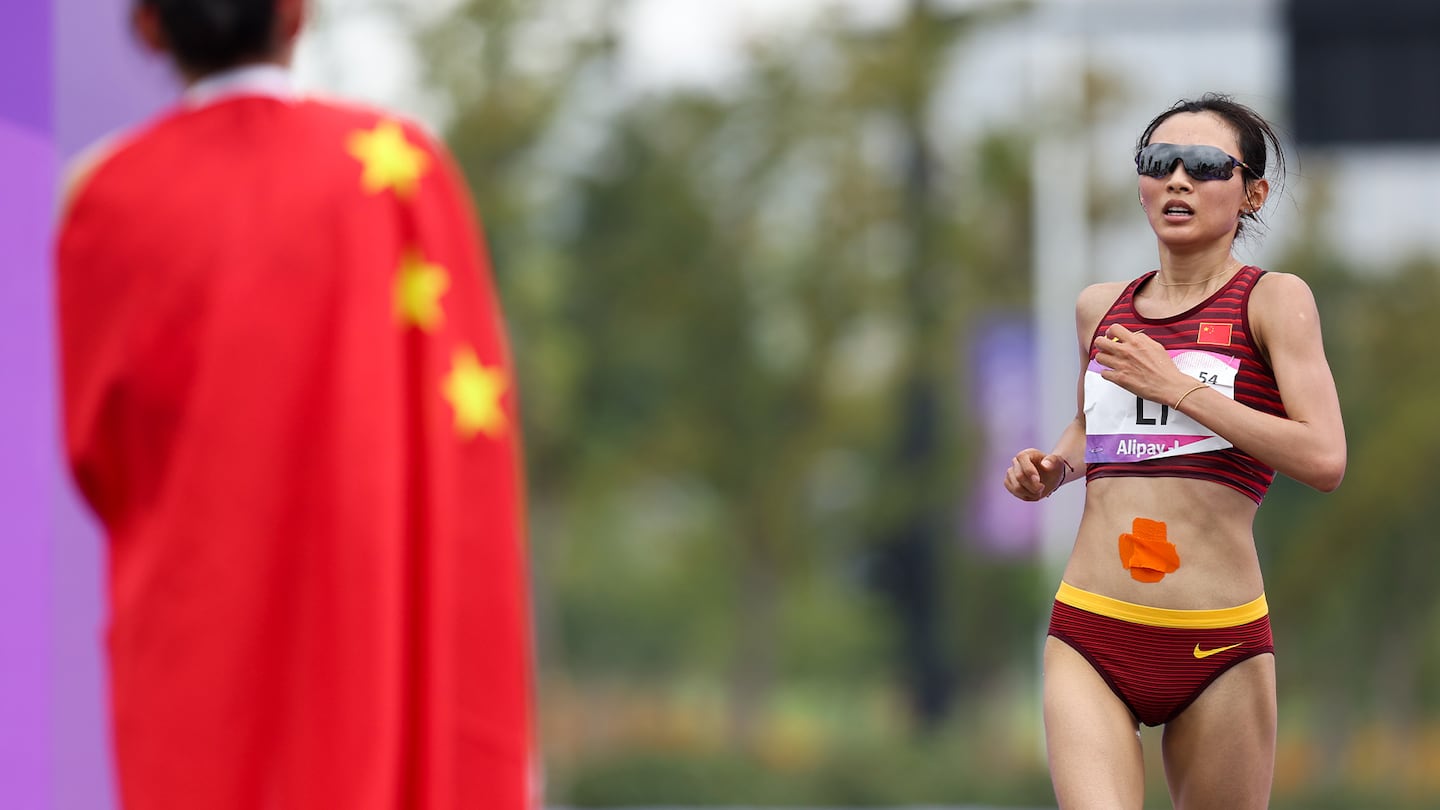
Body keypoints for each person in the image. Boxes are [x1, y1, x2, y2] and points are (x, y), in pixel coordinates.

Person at [55, 1, 535, 808]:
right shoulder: (398, 169)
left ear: (146, 26)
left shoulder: (104, 192)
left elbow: (98, 449)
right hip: (369, 623)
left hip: (192, 627)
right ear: (297, 15)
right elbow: (462, 443)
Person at [1004, 94, 1346, 809]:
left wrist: (1180, 387)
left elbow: (1323, 458)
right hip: (1090, 631)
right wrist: (1054, 468)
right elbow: (1089, 422)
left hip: (1219, 646)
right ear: (1141, 182)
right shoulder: (1100, 307)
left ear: (1252, 191)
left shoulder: (1274, 302)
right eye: (1160, 163)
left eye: (1205, 166)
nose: (1179, 180)